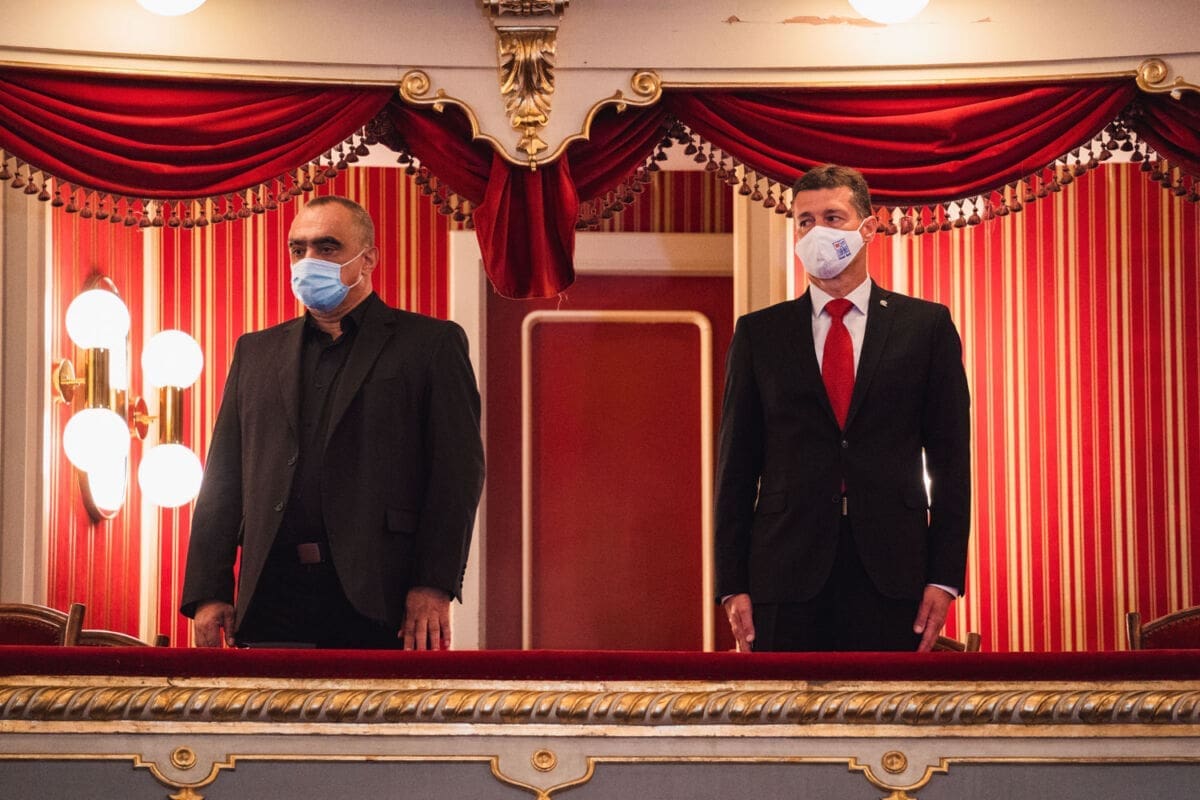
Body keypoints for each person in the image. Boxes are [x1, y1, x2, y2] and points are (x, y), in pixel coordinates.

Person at [180, 195, 485, 649]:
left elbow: (456, 474)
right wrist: (209, 590)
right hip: (271, 595)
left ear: (368, 259)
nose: (309, 260)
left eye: (327, 247)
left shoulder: (430, 344)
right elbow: (223, 476)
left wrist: (433, 583)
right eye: (298, 249)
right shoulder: (255, 352)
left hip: (382, 596)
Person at [715, 165, 971, 652]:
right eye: (805, 221)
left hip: (894, 572)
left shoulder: (926, 327)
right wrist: (732, 583)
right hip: (782, 573)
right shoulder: (759, 334)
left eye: (833, 217)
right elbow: (735, 467)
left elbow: (951, 462)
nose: (817, 232)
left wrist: (944, 577)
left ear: (868, 227)